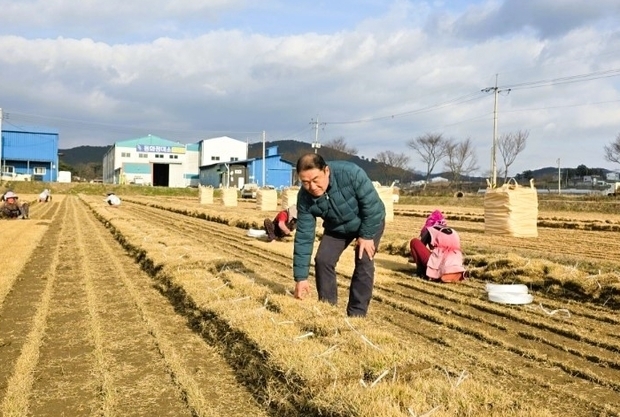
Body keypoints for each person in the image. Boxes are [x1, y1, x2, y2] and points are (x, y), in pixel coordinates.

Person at [293, 153, 385, 317]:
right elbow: (304, 236)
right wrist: (301, 278)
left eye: (315, 180)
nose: (312, 187)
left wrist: (366, 235)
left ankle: (357, 314)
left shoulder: (351, 173)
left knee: (363, 259)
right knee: (323, 260)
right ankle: (328, 311)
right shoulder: (304, 198)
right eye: (305, 183)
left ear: (326, 171)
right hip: (336, 227)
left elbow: (373, 208)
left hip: (368, 221)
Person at [409, 210, 466, 282]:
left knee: (414, 242)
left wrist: (413, 257)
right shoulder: (452, 231)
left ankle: (422, 273)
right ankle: (453, 271)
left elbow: (420, 249)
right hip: (456, 261)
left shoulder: (429, 229)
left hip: (441, 260)